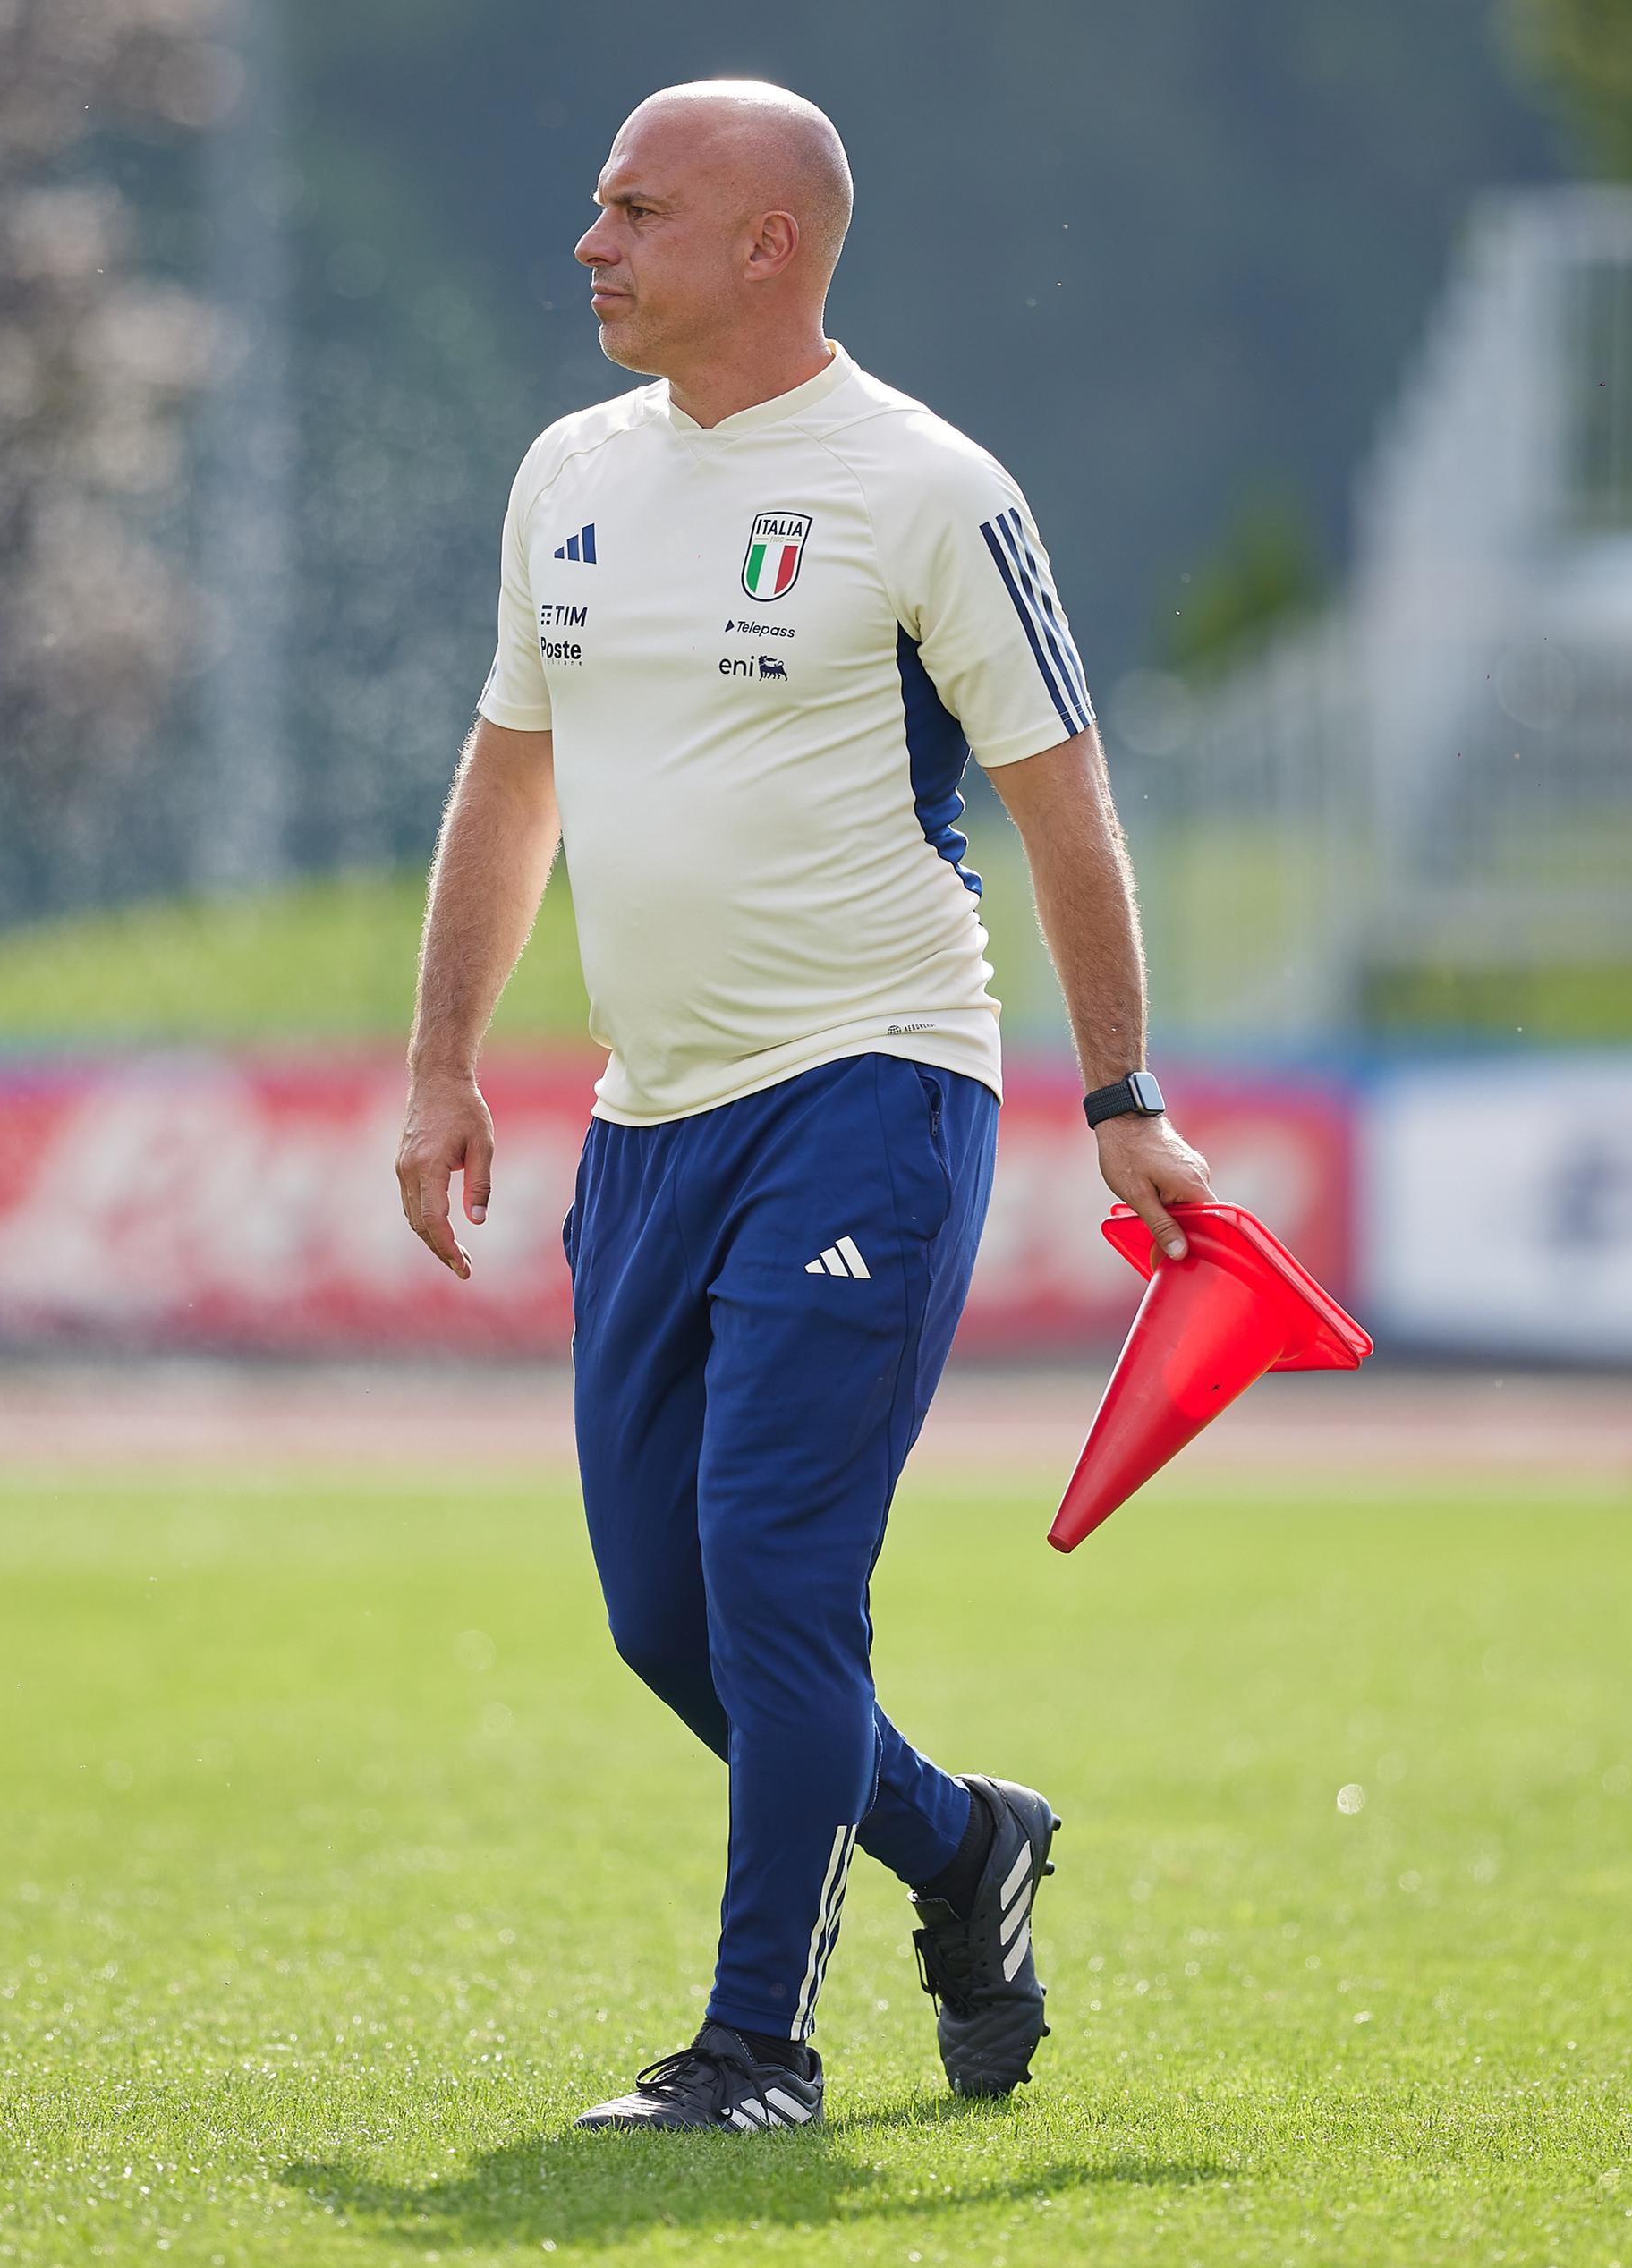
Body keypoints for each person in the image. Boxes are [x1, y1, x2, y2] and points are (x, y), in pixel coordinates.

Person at [392, 78, 1212, 2135]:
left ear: (769, 242)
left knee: (772, 1574)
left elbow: (1062, 803)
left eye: (634, 211)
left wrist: (1119, 1091)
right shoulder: (567, 470)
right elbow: (515, 775)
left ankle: (754, 2047)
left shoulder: (928, 487)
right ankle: (958, 1843)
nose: (590, 244)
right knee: (667, 1623)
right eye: (597, 208)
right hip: (653, 1120)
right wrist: (440, 1063)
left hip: (872, 1091)